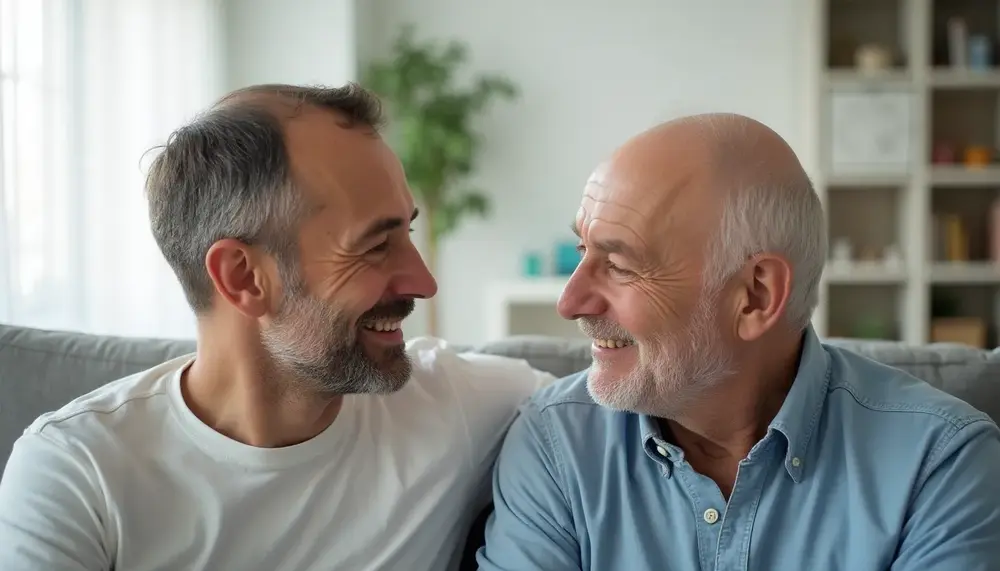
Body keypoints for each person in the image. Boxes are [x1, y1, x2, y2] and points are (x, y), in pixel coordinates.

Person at [0, 83, 552, 571]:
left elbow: (610, 420)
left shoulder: (455, 406)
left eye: (407, 233)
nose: (424, 282)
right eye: (376, 245)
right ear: (243, 276)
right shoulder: (79, 472)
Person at [477, 113, 1000, 570]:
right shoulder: (554, 444)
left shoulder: (940, 462)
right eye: (582, 249)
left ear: (755, 294)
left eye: (617, 264)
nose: (570, 303)